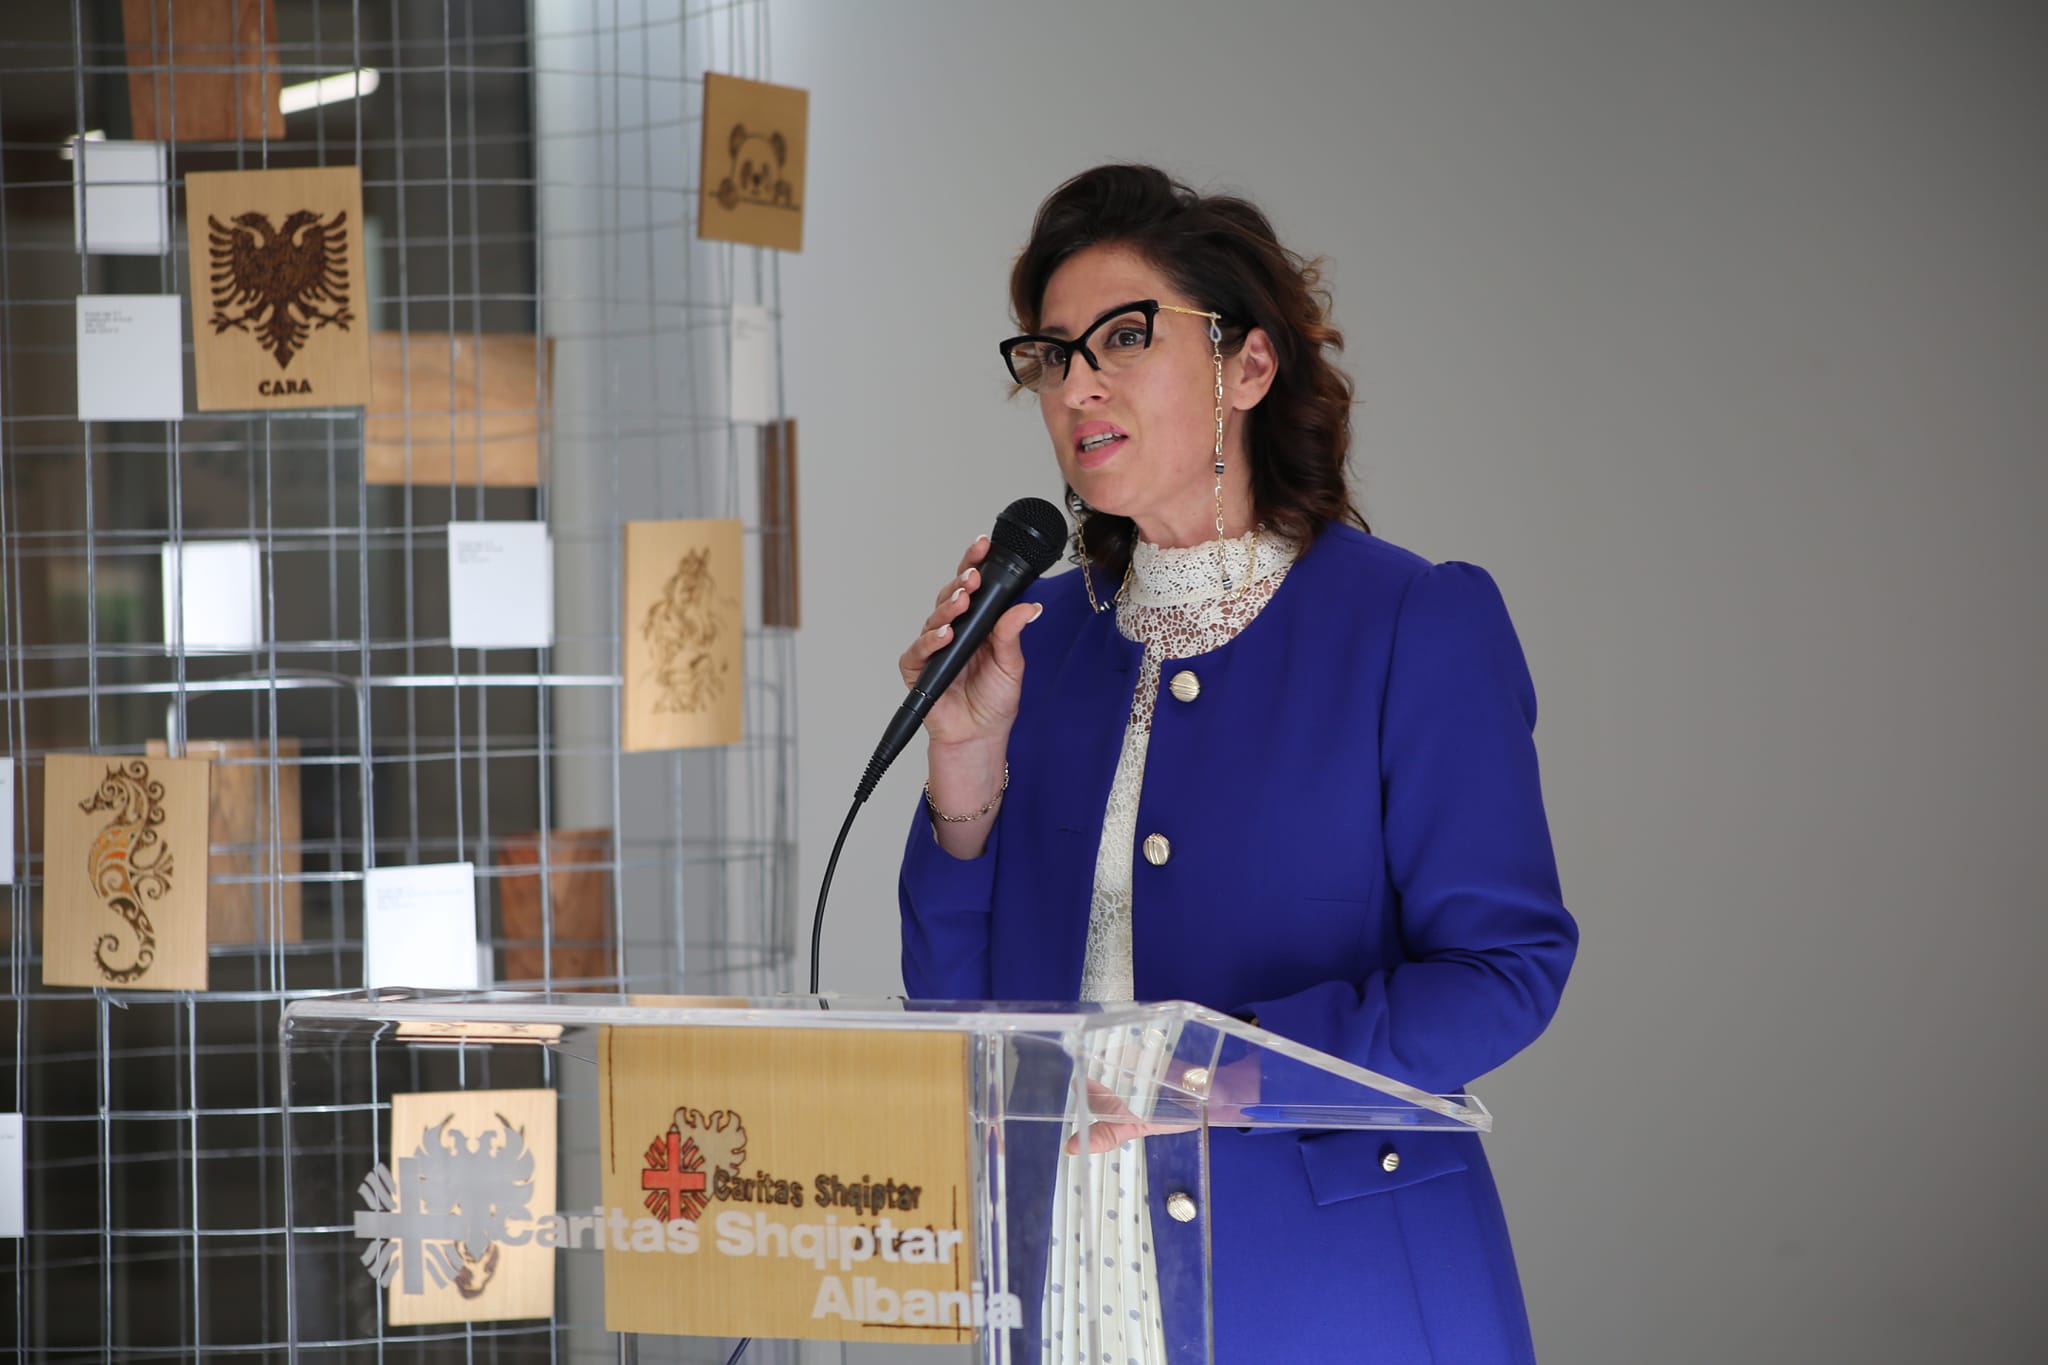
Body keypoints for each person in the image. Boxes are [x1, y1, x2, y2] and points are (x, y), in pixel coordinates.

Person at [895, 163, 1577, 1363]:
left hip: (1329, 1295)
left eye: (1123, 337)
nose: (1076, 383)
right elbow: (965, 1022)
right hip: (1071, 1278)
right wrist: (961, 758)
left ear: (1247, 366)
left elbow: (1505, 970)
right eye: (1051, 355)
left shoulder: (1411, 623)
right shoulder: (1036, 645)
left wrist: (1233, 1074)